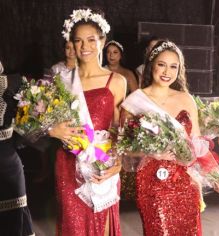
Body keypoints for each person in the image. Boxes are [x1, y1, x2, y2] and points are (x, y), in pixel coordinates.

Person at [121, 40, 219, 235]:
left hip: (185, 182)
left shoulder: (185, 98)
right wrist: (153, 152)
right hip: (151, 182)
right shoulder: (134, 101)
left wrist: (215, 174)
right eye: (161, 64)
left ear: (179, 70)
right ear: (152, 65)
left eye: (173, 66)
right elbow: (123, 147)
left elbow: (198, 145)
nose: (166, 72)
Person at [48, 8, 126, 235]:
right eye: (78, 41)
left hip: (101, 160)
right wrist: (52, 131)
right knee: (72, 225)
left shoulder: (117, 81)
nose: (85, 47)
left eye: (91, 40)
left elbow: (119, 129)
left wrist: (118, 161)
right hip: (68, 162)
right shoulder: (61, 80)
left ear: (102, 41)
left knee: (101, 221)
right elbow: (45, 120)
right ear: (71, 43)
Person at [0, 63, 34, 236]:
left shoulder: (14, 82)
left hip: (7, 162)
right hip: (7, 160)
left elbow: (30, 120)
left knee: (15, 217)